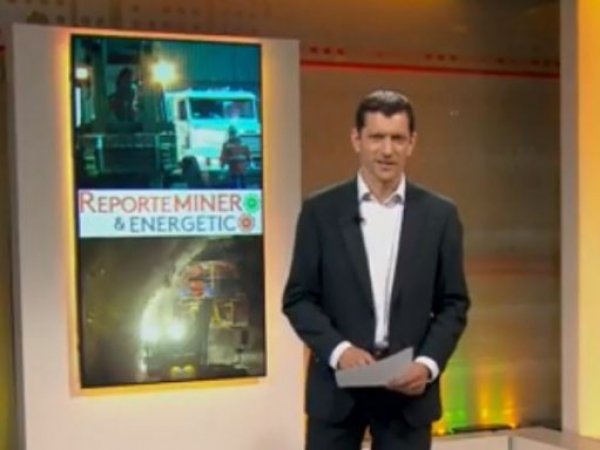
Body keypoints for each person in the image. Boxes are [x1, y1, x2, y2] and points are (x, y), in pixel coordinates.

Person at [282, 90, 470, 450]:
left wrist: (427, 365)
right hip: (337, 397)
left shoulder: (440, 216)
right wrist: (340, 351)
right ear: (357, 139)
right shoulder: (320, 211)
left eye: (397, 138)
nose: (387, 150)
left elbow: (453, 304)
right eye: (376, 137)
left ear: (412, 143)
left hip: (408, 396)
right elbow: (298, 299)